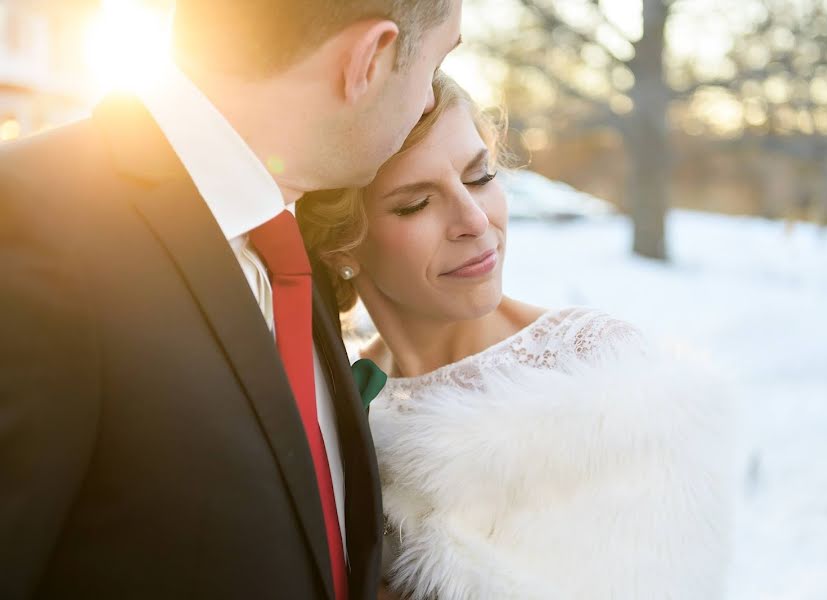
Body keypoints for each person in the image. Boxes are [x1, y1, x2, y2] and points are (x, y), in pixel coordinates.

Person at [0, 1, 462, 598]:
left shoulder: (290, 240)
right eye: (434, 64)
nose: (429, 101)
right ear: (367, 59)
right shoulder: (30, 221)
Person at [299, 72, 736, 600]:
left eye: (480, 176)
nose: (474, 220)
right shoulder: (339, 404)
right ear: (342, 245)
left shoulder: (606, 376)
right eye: (416, 203)